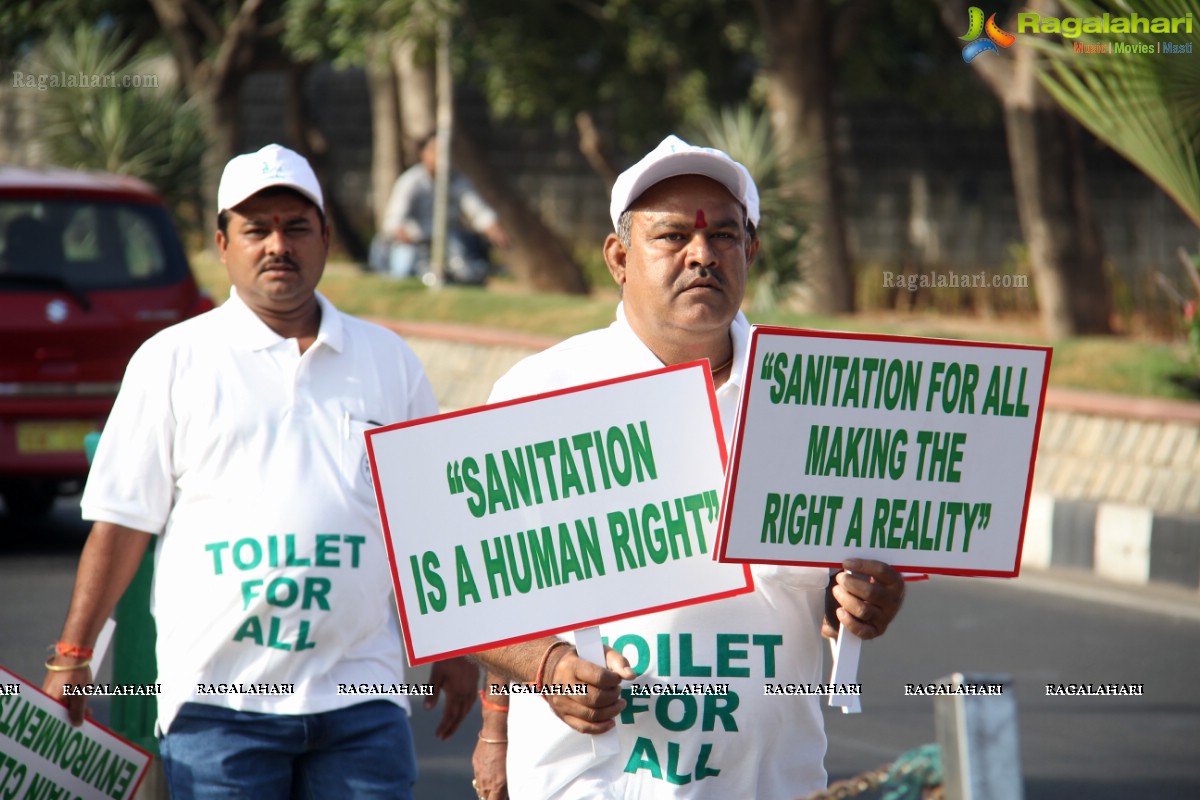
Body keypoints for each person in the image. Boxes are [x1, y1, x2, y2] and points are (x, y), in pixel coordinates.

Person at [468, 135, 906, 800]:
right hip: (590, 785)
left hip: (772, 782)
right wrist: (546, 670)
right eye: (672, 236)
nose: (702, 254)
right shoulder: (540, 392)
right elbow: (472, 589)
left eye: (725, 235)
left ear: (750, 253)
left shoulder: (815, 397)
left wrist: (863, 600)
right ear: (619, 257)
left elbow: (845, 585)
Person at [42, 144, 479, 799]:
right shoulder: (173, 362)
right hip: (220, 706)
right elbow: (122, 525)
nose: (278, 244)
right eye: (256, 229)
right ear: (223, 244)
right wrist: (73, 655)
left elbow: (426, 522)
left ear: (326, 239)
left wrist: (452, 648)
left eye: (296, 227)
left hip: (362, 698)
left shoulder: (389, 361)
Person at [370, 132, 508, 284]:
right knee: (404, 270)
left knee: (467, 272)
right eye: (436, 150)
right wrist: (401, 233)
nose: (441, 156)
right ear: (423, 154)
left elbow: (477, 210)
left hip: (448, 243)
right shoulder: (411, 182)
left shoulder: (457, 181)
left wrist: (493, 229)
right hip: (416, 244)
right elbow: (394, 219)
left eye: (446, 151)